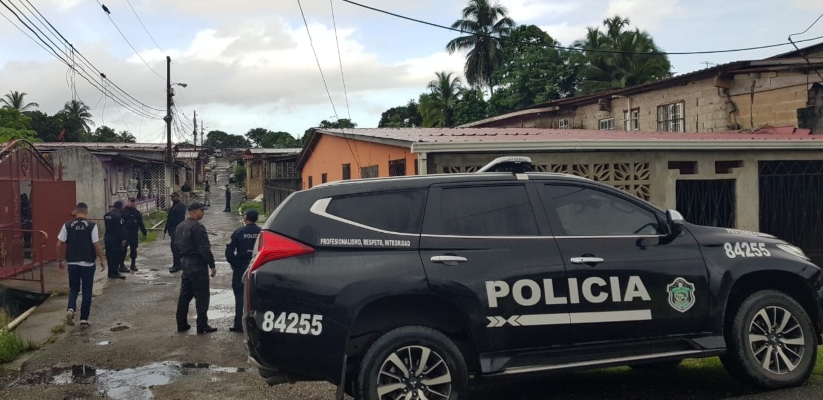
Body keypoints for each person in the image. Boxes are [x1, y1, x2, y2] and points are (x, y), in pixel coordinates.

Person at [56, 203, 106, 328]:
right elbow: (96, 244)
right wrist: (102, 259)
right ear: (86, 212)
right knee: (87, 290)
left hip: (72, 262)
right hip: (88, 263)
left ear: (75, 212)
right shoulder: (91, 225)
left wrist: (59, 261)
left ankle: (71, 309)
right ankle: (84, 319)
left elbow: (58, 245)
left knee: (74, 288)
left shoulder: (67, 225)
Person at [175, 202, 218, 334]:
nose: (203, 213)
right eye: (202, 210)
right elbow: (204, 248)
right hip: (197, 264)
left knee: (185, 295)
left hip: (185, 262)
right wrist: (211, 265)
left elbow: (176, 245)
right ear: (194, 211)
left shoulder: (180, 226)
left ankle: (181, 324)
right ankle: (202, 325)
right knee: (202, 296)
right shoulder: (197, 227)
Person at [225, 209, 261, 332]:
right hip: (258, 266)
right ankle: (257, 325)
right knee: (258, 295)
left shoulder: (239, 232)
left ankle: (239, 324)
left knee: (240, 295)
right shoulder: (262, 232)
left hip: (241, 267)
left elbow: (229, 251)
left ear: (246, 218)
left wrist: (234, 263)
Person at [121, 198, 148, 272]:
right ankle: (121, 265)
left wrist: (144, 232)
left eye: (133, 202)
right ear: (127, 202)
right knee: (123, 249)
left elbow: (140, 223)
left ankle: (133, 264)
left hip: (133, 233)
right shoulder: (123, 211)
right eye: (131, 202)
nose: (132, 204)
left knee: (133, 248)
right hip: (125, 233)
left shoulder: (137, 213)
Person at [104, 201, 128, 279]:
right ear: (120, 207)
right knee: (116, 255)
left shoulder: (107, 215)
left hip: (108, 237)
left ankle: (110, 272)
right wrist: (124, 238)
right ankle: (114, 272)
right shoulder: (118, 216)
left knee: (109, 255)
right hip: (116, 238)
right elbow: (121, 228)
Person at [164, 192, 187, 273]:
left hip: (177, 229)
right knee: (174, 248)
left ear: (178, 197)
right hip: (172, 228)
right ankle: (177, 264)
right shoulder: (174, 205)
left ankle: (177, 265)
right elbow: (170, 218)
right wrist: (167, 228)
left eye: (173, 197)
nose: (172, 198)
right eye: (171, 197)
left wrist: (178, 230)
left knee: (175, 247)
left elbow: (181, 219)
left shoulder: (180, 206)